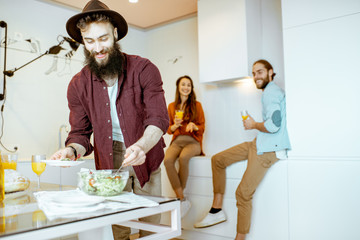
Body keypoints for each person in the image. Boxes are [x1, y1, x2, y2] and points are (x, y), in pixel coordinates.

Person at [50, 0, 169, 239]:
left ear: (115, 33)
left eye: (103, 38)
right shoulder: (77, 84)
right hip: (108, 153)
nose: (97, 48)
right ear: (83, 41)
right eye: (90, 41)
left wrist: (141, 146)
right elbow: (80, 134)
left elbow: (158, 119)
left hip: (146, 148)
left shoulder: (144, 69)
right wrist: (71, 151)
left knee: (151, 223)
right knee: (118, 222)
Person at [194, 60, 291, 240]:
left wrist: (253, 124)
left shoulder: (271, 92)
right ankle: (216, 209)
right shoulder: (270, 92)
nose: (256, 77)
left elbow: (274, 124)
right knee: (217, 160)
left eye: (260, 72)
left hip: (269, 149)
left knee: (242, 193)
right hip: (259, 143)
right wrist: (255, 126)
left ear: (271, 72)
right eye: (254, 73)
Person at [164, 75, 205, 218]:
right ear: (178, 87)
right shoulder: (171, 106)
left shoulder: (197, 105)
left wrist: (194, 126)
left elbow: (202, 126)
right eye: (183, 84)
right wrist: (175, 125)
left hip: (192, 141)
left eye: (189, 85)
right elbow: (168, 129)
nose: (186, 87)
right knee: (168, 161)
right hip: (177, 141)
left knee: (184, 157)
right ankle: (182, 199)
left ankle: (180, 198)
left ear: (191, 88)